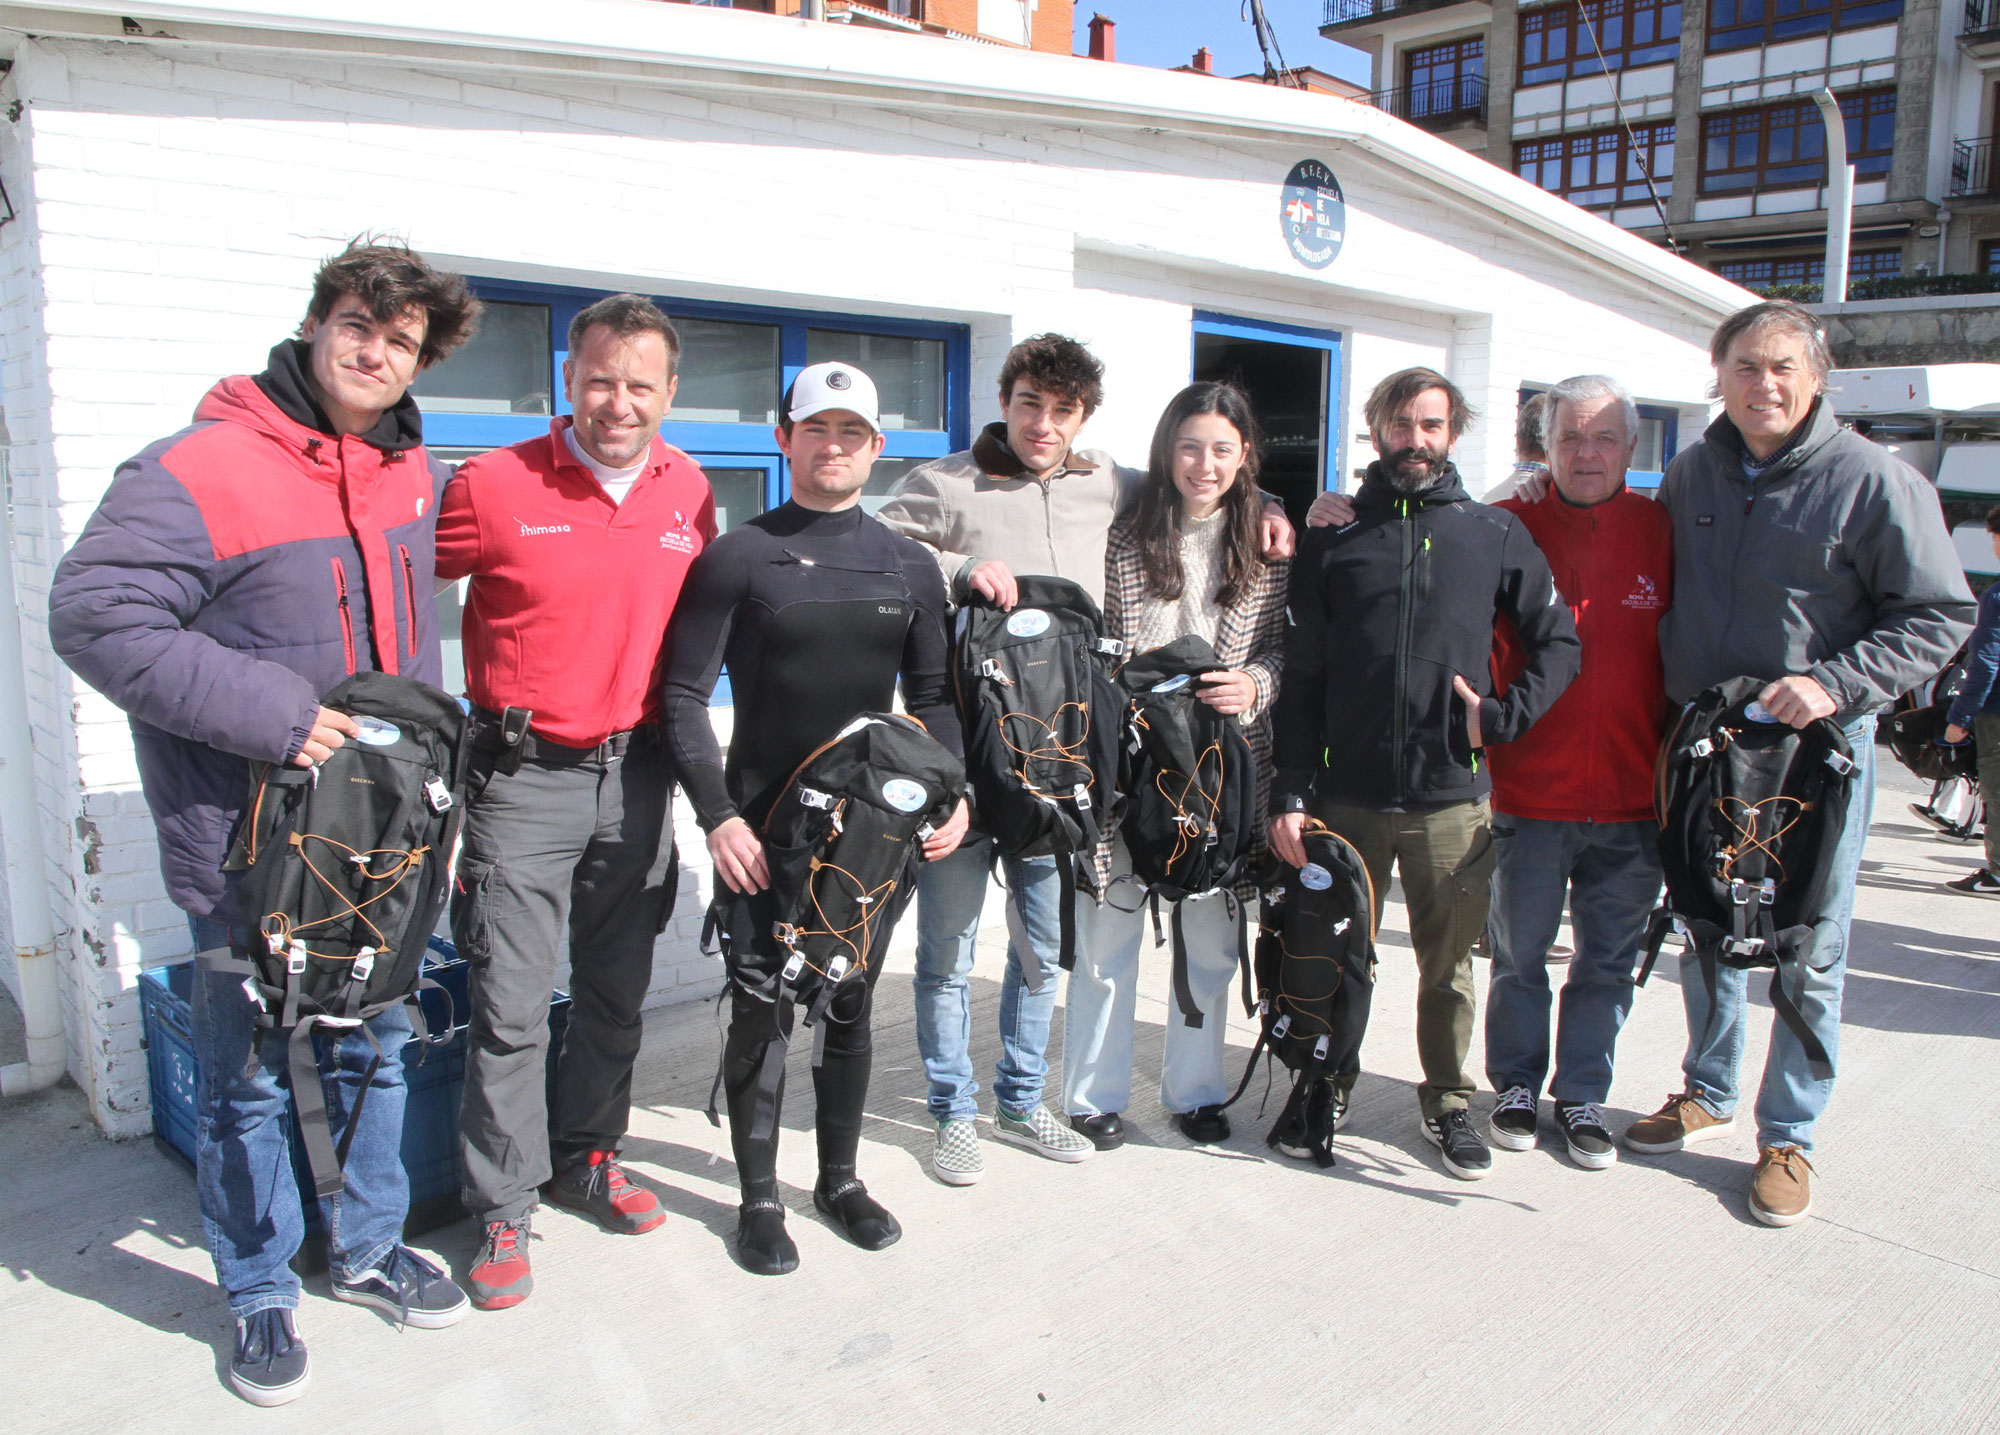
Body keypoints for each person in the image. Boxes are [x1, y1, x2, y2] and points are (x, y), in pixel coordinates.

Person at [48, 240, 480, 1405]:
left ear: (418, 358)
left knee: (381, 1053)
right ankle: (256, 1288)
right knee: (247, 1074)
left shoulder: (405, 468)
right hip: (247, 838)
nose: (372, 349)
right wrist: (280, 716)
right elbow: (94, 614)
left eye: (399, 339)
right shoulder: (199, 465)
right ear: (314, 324)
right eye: (356, 322)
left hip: (381, 842)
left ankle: (369, 1245)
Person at [874, 335, 1294, 1179]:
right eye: (1030, 402)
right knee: (978, 947)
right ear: (1005, 398)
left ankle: (1055, 1099)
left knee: (1052, 948)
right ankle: (982, 1107)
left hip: (1091, 758)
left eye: (1063, 410)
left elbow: (1215, 490)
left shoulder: (1110, 484)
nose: (1044, 423)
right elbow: (877, 541)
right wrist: (959, 565)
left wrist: (1279, 505)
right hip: (995, 750)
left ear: (1084, 418)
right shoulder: (956, 483)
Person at [1619, 300, 1972, 1226]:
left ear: (1817, 377)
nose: (1762, 384)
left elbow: (1940, 615)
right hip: (1707, 746)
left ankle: (1790, 1135)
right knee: (1706, 924)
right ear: (1719, 378)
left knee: (1808, 947)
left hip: (1815, 756)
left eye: (1781, 366)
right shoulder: (1692, 470)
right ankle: (1708, 1088)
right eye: (1744, 367)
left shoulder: (1874, 482)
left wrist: (1835, 682)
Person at [436, 294, 715, 1311]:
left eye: (640, 384)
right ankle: (501, 1205)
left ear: (669, 393)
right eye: (600, 379)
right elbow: (389, 579)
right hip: (522, 779)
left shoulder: (688, 491)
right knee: (509, 1005)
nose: (618, 402)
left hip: (636, 774)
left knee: (613, 993)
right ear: (569, 378)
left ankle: (586, 1155)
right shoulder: (491, 483)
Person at [662, 361, 969, 1275]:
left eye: (853, 432)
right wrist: (717, 815)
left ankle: (838, 1179)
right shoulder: (741, 555)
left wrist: (951, 797)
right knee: (762, 1012)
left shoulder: (907, 563)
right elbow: (679, 695)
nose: (833, 447)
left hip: (868, 838)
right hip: (759, 829)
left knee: (848, 999)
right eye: (816, 428)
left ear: (877, 447)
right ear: (783, 437)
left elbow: (935, 699)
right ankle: (759, 1199)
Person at [1268, 366, 1580, 1182]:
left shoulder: (1491, 533)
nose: (1415, 440)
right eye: (1400, 424)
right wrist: (1292, 789)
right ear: (1375, 430)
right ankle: (1327, 1082)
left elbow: (1559, 642)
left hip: (1452, 800)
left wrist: (1502, 718)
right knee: (1336, 954)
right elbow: (1302, 677)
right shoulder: (1332, 535)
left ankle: (1447, 1102)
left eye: (1431, 425)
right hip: (1347, 797)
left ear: (1453, 433)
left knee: (1450, 966)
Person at [1062, 381, 1288, 1147]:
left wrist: (1254, 682)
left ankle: (1196, 1090)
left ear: (1245, 456)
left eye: (1222, 448)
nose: (1204, 463)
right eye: (1190, 445)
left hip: (1222, 768)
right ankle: (1093, 1095)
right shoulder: (1126, 531)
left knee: (1210, 941)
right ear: (1167, 448)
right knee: (1107, 932)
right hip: (1131, 765)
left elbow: (1288, 651)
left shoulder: (1265, 537)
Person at [1478, 375, 1673, 1171]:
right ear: (1544, 446)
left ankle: (1583, 1091)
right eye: (1570, 438)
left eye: (1603, 438)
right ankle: (1517, 1085)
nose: (1586, 453)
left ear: (1632, 447)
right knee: (1520, 955)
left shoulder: (1664, 531)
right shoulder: (1508, 523)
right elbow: (1422, 534)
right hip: (1532, 791)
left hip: (1635, 799)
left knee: (1606, 963)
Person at [1941, 506, 2000, 897]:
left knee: (1996, 791)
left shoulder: (1996, 596)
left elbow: (1986, 663)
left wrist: (1960, 717)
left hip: (1997, 712)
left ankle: (1997, 873)